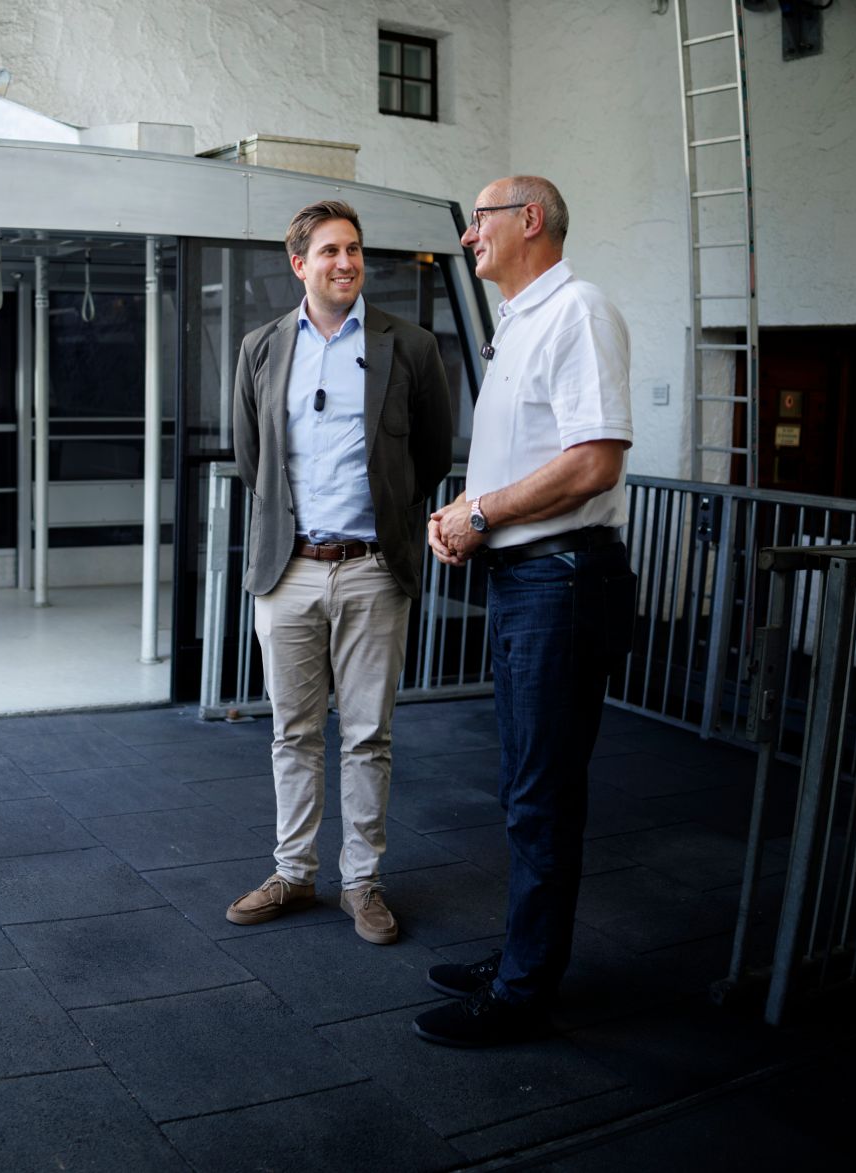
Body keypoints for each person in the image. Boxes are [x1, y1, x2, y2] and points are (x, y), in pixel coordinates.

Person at [416, 175, 637, 1047]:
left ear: (529, 221)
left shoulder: (578, 310)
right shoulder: (519, 325)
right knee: (522, 787)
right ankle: (523, 953)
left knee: (540, 795)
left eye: (480, 220)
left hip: (562, 579)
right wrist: (464, 510)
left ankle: (523, 991)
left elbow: (593, 463)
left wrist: (479, 513)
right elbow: (525, 456)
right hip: (527, 578)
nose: (469, 237)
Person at [225, 199, 454, 943]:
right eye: (328, 251)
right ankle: (293, 873)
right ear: (299, 264)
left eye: (353, 249)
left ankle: (363, 882)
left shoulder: (409, 346)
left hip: (370, 569)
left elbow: (431, 455)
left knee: (367, 736)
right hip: (288, 571)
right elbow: (250, 458)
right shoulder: (262, 347)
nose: (345, 262)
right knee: (292, 733)